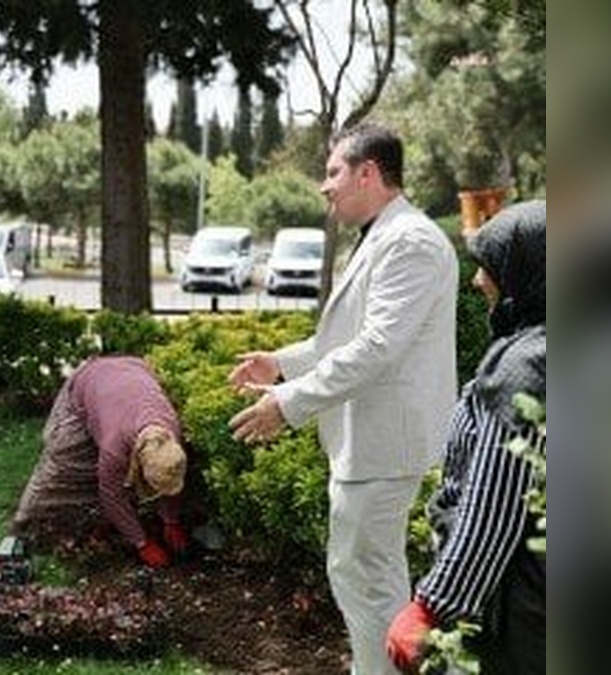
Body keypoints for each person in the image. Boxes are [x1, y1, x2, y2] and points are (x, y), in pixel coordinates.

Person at [227, 123, 459, 675]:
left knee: (368, 581)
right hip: (370, 442)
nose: (324, 186)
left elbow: (377, 348)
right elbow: (349, 340)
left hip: (383, 444)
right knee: (363, 577)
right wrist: (281, 363)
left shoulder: (411, 241)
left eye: (332, 172)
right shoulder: (384, 235)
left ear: (367, 172)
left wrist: (286, 402)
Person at [386, 200, 545, 673]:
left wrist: (432, 606)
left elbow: (495, 506)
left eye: (490, 264)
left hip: (514, 615)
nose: (477, 280)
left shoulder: (527, 369)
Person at [11, 355, 189, 569]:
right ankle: (22, 524)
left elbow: (170, 473)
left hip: (127, 371)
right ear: (138, 461)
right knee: (60, 463)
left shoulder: (171, 434)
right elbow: (112, 496)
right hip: (88, 381)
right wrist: (142, 543)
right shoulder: (115, 447)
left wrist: (171, 520)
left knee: (106, 469)